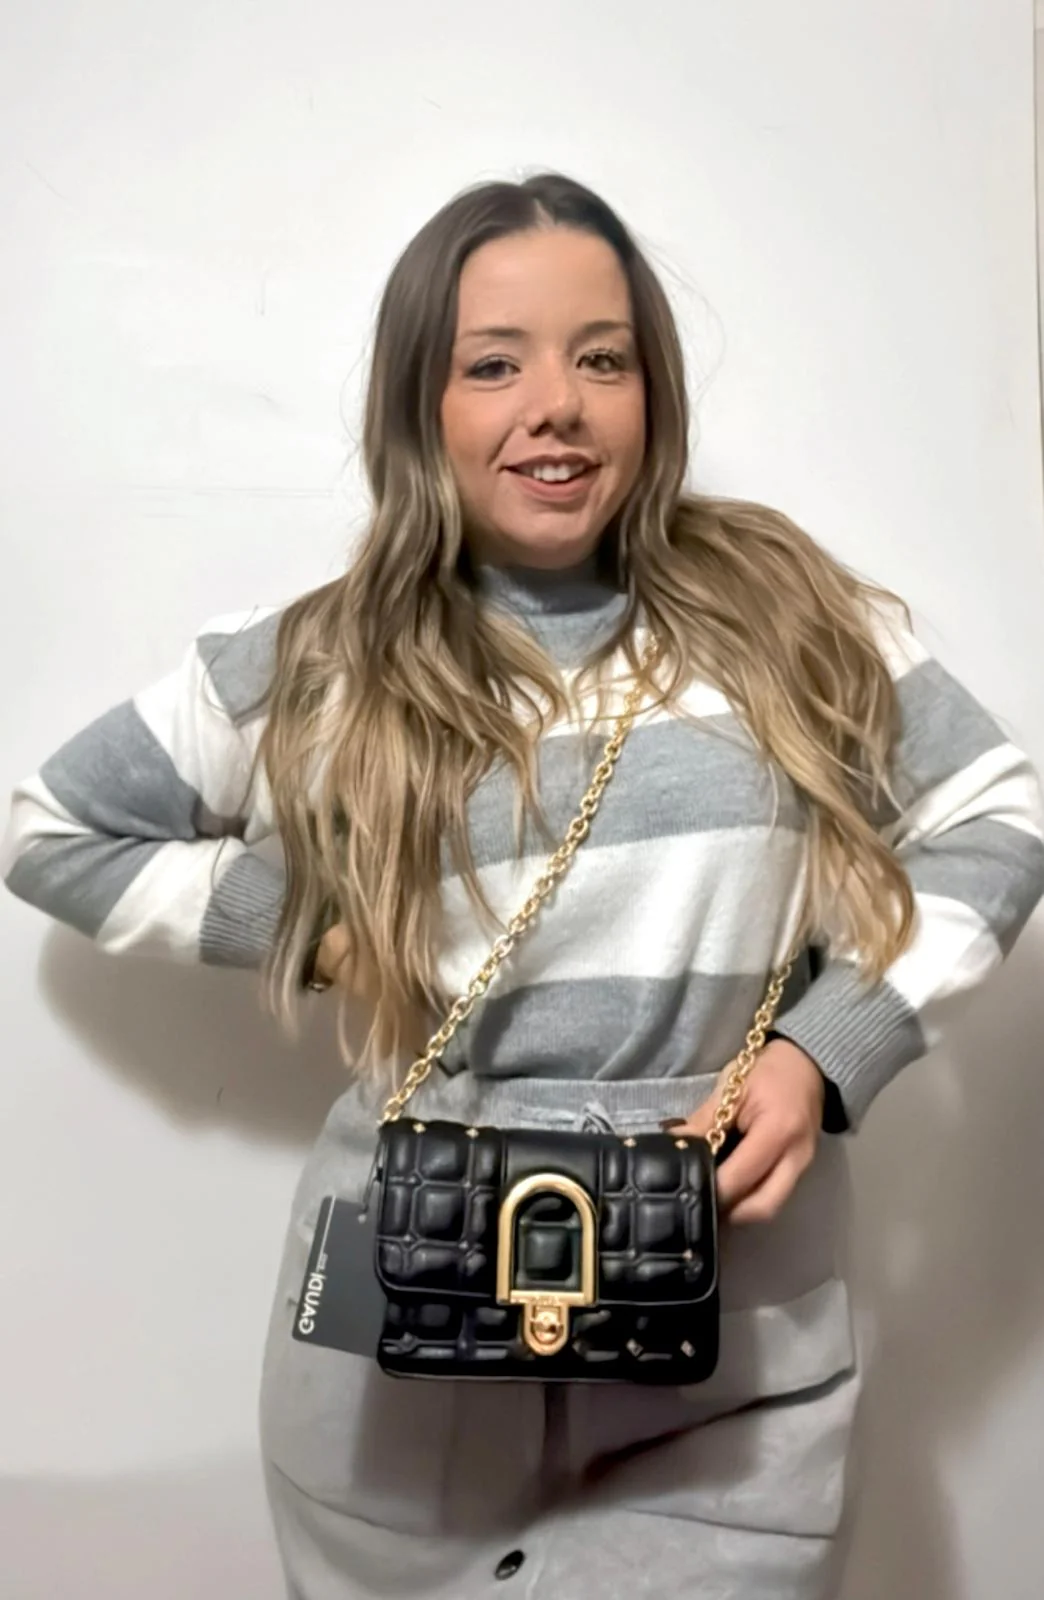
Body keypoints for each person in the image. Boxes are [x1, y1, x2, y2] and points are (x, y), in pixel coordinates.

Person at [4, 171, 1043, 1600]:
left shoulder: (794, 616)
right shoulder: (318, 657)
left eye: (601, 358)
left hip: (728, 1347)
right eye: (493, 364)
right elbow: (50, 825)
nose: (555, 405)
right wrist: (311, 926)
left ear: (652, 391)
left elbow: (995, 814)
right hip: (396, 1352)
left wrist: (824, 1050)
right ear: (418, 404)